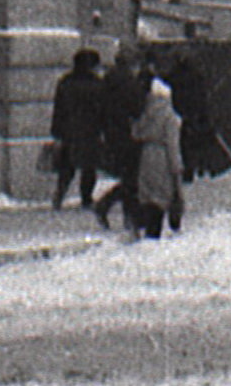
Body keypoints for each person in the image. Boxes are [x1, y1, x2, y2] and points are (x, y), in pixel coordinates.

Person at [90, 47, 147, 231]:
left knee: (128, 176)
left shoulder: (107, 80)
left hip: (112, 133)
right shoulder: (130, 82)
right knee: (132, 178)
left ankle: (118, 211)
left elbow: (99, 107)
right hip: (128, 133)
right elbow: (138, 109)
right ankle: (125, 215)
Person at [47, 48, 109, 212]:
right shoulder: (98, 84)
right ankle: (86, 198)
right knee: (89, 167)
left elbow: (58, 109)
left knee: (67, 168)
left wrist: (57, 131)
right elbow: (103, 110)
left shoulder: (66, 82)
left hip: (69, 130)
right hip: (90, 130)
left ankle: (59, 195)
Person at [127, 69, 185, 240]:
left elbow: (136, 133)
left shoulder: (146, 114)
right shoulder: (170, 117)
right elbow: (173, 146)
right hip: (162, 158)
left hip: (146, 156)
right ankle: (154, 233)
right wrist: (176, 168)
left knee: (147, 195)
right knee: (160, 198)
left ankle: (140, 226)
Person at [167, 45, 220, 183]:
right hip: (193, 114)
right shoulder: (197, 76)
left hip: (178, 113)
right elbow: (201, 96)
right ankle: (195, 169)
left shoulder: (173, 77)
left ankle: (183, 169)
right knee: (193, 144)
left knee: (180, 143)